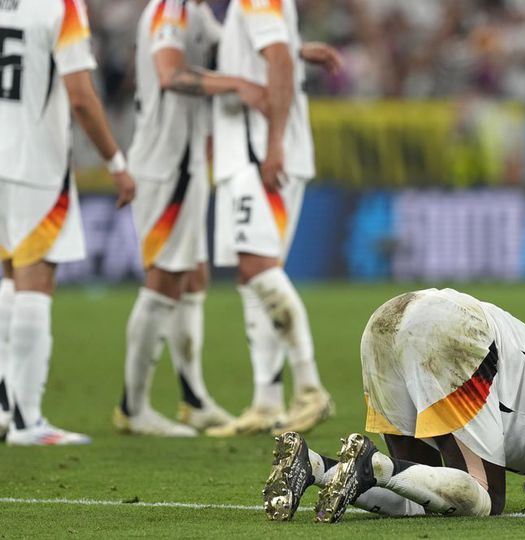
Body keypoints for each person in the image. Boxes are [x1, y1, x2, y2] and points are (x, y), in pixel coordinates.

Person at [261, 288, 525, 521]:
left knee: (417, 494)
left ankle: (313, 467)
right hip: (458, 328)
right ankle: (371, 463)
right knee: (488, 502)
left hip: (386, 320)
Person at [112, 0, 270, 437]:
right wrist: (239, 83)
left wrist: (292, 50)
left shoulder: (196, 12)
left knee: (195, 277)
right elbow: (171, 74)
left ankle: (193, 399)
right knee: (165, 278)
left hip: (190, 162)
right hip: (166, 165)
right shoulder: (171, 10)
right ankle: (133, 406)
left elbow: (237, 50)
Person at [0, 0, 136, 445]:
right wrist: (115, 160)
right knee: (34, 285)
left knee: (7, 279)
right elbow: (80, 95)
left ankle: (5, 405)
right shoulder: (62, 7)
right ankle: (26, 419)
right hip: (36, 164)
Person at [206, 0, 342, 437]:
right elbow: (274, 52)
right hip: (243, 153)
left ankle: (309, 387)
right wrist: (301, 52)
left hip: (259, 152)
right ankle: (266, 401)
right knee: (251, 279)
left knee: (259, 271)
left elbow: (277, 59)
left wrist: (275, 145)